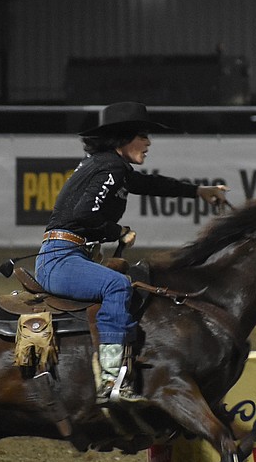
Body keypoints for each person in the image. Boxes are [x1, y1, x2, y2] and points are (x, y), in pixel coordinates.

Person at [36, 102, 228, 406]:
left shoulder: (109, 166)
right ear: (123, 138)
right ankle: (111, 380)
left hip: (63, 256)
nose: (149, 143)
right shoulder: (110, 168)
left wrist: (197, 191)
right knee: (117, 285)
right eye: (143, 136)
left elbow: (151, 184)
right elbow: (86, 215)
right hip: (61, 259)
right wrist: (118, 232)